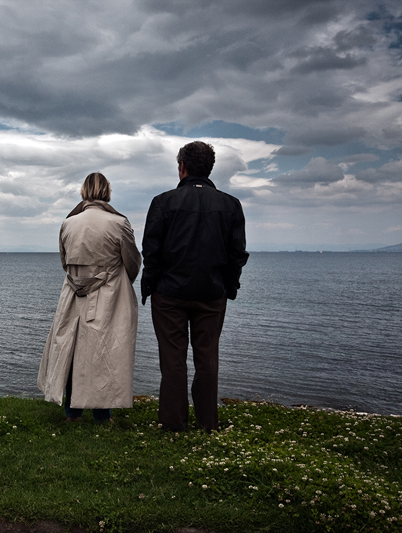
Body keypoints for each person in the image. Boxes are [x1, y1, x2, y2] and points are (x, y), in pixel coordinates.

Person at [140, 141, 249, 432]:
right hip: (212, 294)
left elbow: (151, 251)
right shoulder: (230, 205)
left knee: (173, 360)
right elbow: (237, 253)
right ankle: (207, 423)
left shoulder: (163, 202)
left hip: (169, 293)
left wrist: (148, 287)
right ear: (209, 168)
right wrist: (230, 287)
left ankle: (174, 423)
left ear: (182, 167)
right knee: (207, 359)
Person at [37, 172, 141, 423]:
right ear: (107, 192)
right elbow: (132, 261)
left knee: (72, 350)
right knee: (104, 351)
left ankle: (72, 412)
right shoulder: (119, 223)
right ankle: (102, 414)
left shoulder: (68, 223)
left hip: (73, 293)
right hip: (109, 295)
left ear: (84, 192)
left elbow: (65, 261)